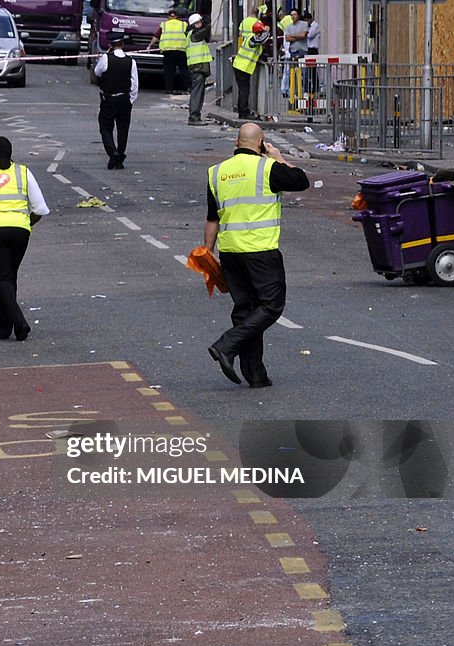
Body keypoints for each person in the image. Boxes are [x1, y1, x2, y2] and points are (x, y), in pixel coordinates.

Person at [204, 123, 309, 388]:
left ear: (236, 142)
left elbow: (212, 219)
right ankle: (226, 345)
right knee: (271, 306)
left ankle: (255, 374)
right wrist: (279, 157)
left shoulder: (217, 173)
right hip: (260, 252)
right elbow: (301, 181)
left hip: (230, 253)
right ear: (261, 143)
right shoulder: (268, 168)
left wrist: (208, 254)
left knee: (246, 310)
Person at [0, 137, 49, 341]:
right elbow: (40, 209)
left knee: (0, 279)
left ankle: (20, 323)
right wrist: (26, 223)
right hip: (20, 231)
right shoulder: (23, 172)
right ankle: (3, 330)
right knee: (9, 277)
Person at [93, 31, 139, 170]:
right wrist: (130, 99)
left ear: (110, 45)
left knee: (105, 127)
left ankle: (113, 152)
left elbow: (97, 72)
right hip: (125, 99)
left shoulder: (106, 58)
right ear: (123, 44)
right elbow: (135, 84)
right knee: (123, 129)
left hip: (109, 99)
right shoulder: (131, 61)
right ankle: (119, 156)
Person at [233, 18, 268, 121]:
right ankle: (244, 112)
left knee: (243, 90)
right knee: (244, 90)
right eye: (260, 32)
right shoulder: (252, 38)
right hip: (242, 67)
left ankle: (242, 112)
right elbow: (260, 41)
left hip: (242, 67)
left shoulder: (251, 37)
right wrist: (267, 31)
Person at [151, 9, 188, 95]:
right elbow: (189, 35)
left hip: (167, 51)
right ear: (177, 16)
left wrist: (149, 46)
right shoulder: (183, 24)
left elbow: (156, 36)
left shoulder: (164, 25)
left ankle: (169, 89)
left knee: (169, 71)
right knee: (184, 70)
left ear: (168, 17)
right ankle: (188, 87)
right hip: (181, 50)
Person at [185, 13, 211, 126]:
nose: (200, 24)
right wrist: (209, 23)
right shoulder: (195, 35)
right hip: (197, 68)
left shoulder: (192, 34)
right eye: (197, 23)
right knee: (197, 93)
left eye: (200, 22)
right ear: (192, 25)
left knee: (199, 93)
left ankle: (196, 116)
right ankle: (194, 116)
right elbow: (205, 30)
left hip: (198, 67)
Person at [304, 12, 321, 94]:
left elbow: (309, 35)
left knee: (313, 70)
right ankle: (312, 87)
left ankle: (315, 88)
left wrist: (304, 31)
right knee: (310, 70)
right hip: (308, 49)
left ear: (310, 19)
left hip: (313, 50)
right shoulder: (309, 26)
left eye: (307, 20)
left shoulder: (315, 26)